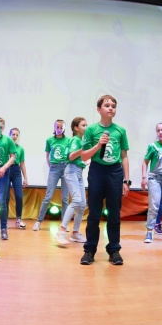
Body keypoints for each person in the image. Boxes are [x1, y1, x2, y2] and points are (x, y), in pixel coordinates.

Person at [80, 95, 130, 266]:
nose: (111, 108)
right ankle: (89, 250)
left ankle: (114, 250)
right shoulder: (91, 130)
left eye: (113, 106)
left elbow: (124, 156)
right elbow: (84, 156)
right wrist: (98, 145)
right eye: (107, 105)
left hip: (115, 172)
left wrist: (126, 181)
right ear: (98, 109)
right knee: (94, 213)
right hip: (97, 171)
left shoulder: (120, 131)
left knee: (114, 214)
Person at [32, 119, 70, 231]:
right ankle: (38, 221)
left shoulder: (68, 140)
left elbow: (70, 154)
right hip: (54, 168)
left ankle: (64, 224)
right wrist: (51, 166)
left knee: (65, 198)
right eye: (57, 127)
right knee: (48, 196)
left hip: (65, 168)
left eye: (61, 127)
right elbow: (47, 155)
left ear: (64, 128)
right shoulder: (50, 140)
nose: (59, 129)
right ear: (54, 128)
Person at [57, 117, 88, 245]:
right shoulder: (75, 140)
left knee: (82, 204)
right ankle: (61, 231)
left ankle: (75, 233)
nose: (86, 127)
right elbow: (71, 156)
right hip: (71, 171)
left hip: (78, 172)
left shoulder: (81, 140)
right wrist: (83, 149)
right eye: (83, 125)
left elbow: (80, 158)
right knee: (77, 200)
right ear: (76, 128)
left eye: (86, 125)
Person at [7, 127, 28, 229]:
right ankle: (4, 221)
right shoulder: (6, 146)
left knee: (19, 196)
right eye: (13, 134)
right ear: (9, 135)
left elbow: (22, 164)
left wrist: (25, 178)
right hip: (6, 170)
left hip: (16, 171)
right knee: (5, 197)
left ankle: (18, 219)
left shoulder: (20, 149)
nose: (14, 136)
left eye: (16, 135)